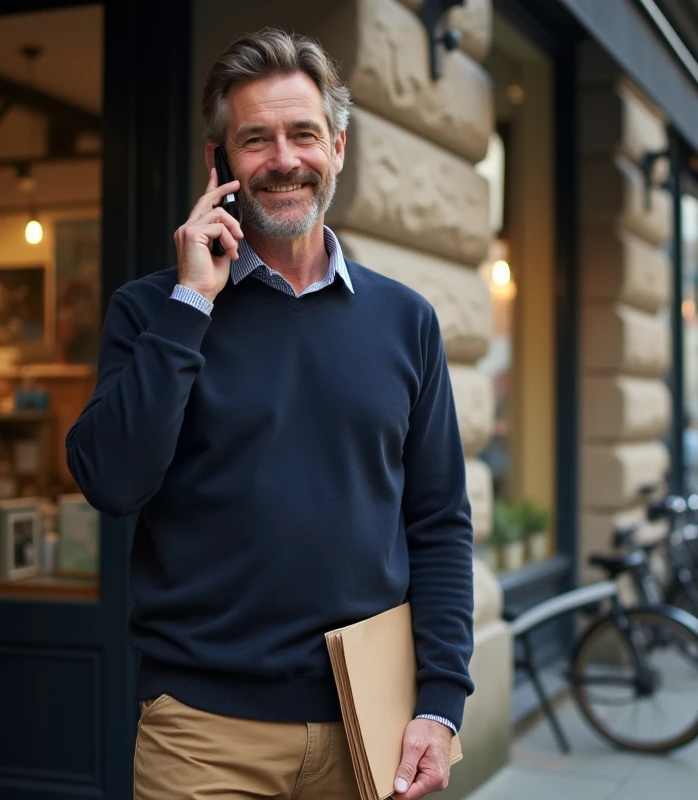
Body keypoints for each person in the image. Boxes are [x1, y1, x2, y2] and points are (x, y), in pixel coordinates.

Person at [65, 29, 474, 800]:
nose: (283, 159)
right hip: (204, 733)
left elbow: (440, 520)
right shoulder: (154, 309)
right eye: (256, 139)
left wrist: (442, 702)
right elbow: (112, 482)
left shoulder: (406, 319)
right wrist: (192, 304)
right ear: (219, 162)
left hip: (374, 722)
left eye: (303, 134)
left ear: (339, 149)